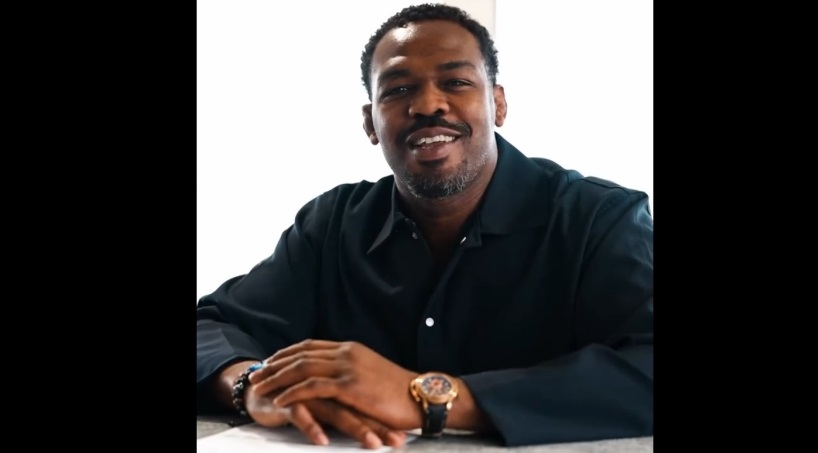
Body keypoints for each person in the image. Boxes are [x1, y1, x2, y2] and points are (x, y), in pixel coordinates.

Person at [196, 3, 653, 449]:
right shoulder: (331, 225)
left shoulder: (599, 219)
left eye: (456, 82)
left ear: (497, 104)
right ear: (370, 123)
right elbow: (210, 328)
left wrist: (430, 398)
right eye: (398, 89)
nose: (428, 104)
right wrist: (253, 385)